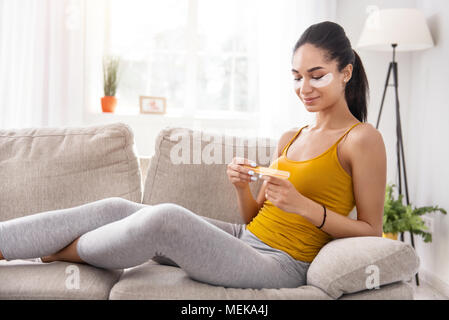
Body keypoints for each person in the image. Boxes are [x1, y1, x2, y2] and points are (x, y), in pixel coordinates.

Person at [0, 21, 386, 290]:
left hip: (283, 264)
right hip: (244, 237)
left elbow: (373, 231)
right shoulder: (292, 136)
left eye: (316, 75)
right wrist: (241, 187)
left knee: (166, 217)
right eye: (297, 77)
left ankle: (57, 253)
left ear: (346, 72)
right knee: (117, 207)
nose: (305, 87)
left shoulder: (361, 139)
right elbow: (252, 219)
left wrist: (306, 208)